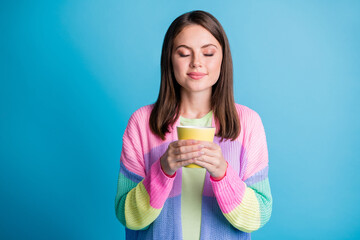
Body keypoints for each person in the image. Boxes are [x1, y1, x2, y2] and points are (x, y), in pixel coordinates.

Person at [115, 10, 272, 240]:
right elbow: (126, 215)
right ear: (170, 59)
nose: (197, 63)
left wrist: (222, 173)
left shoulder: (247, 123)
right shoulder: (141, 123)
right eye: (184, 53)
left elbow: (258, 216)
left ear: (223, 59)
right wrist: (163, 170)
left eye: (208, 53)